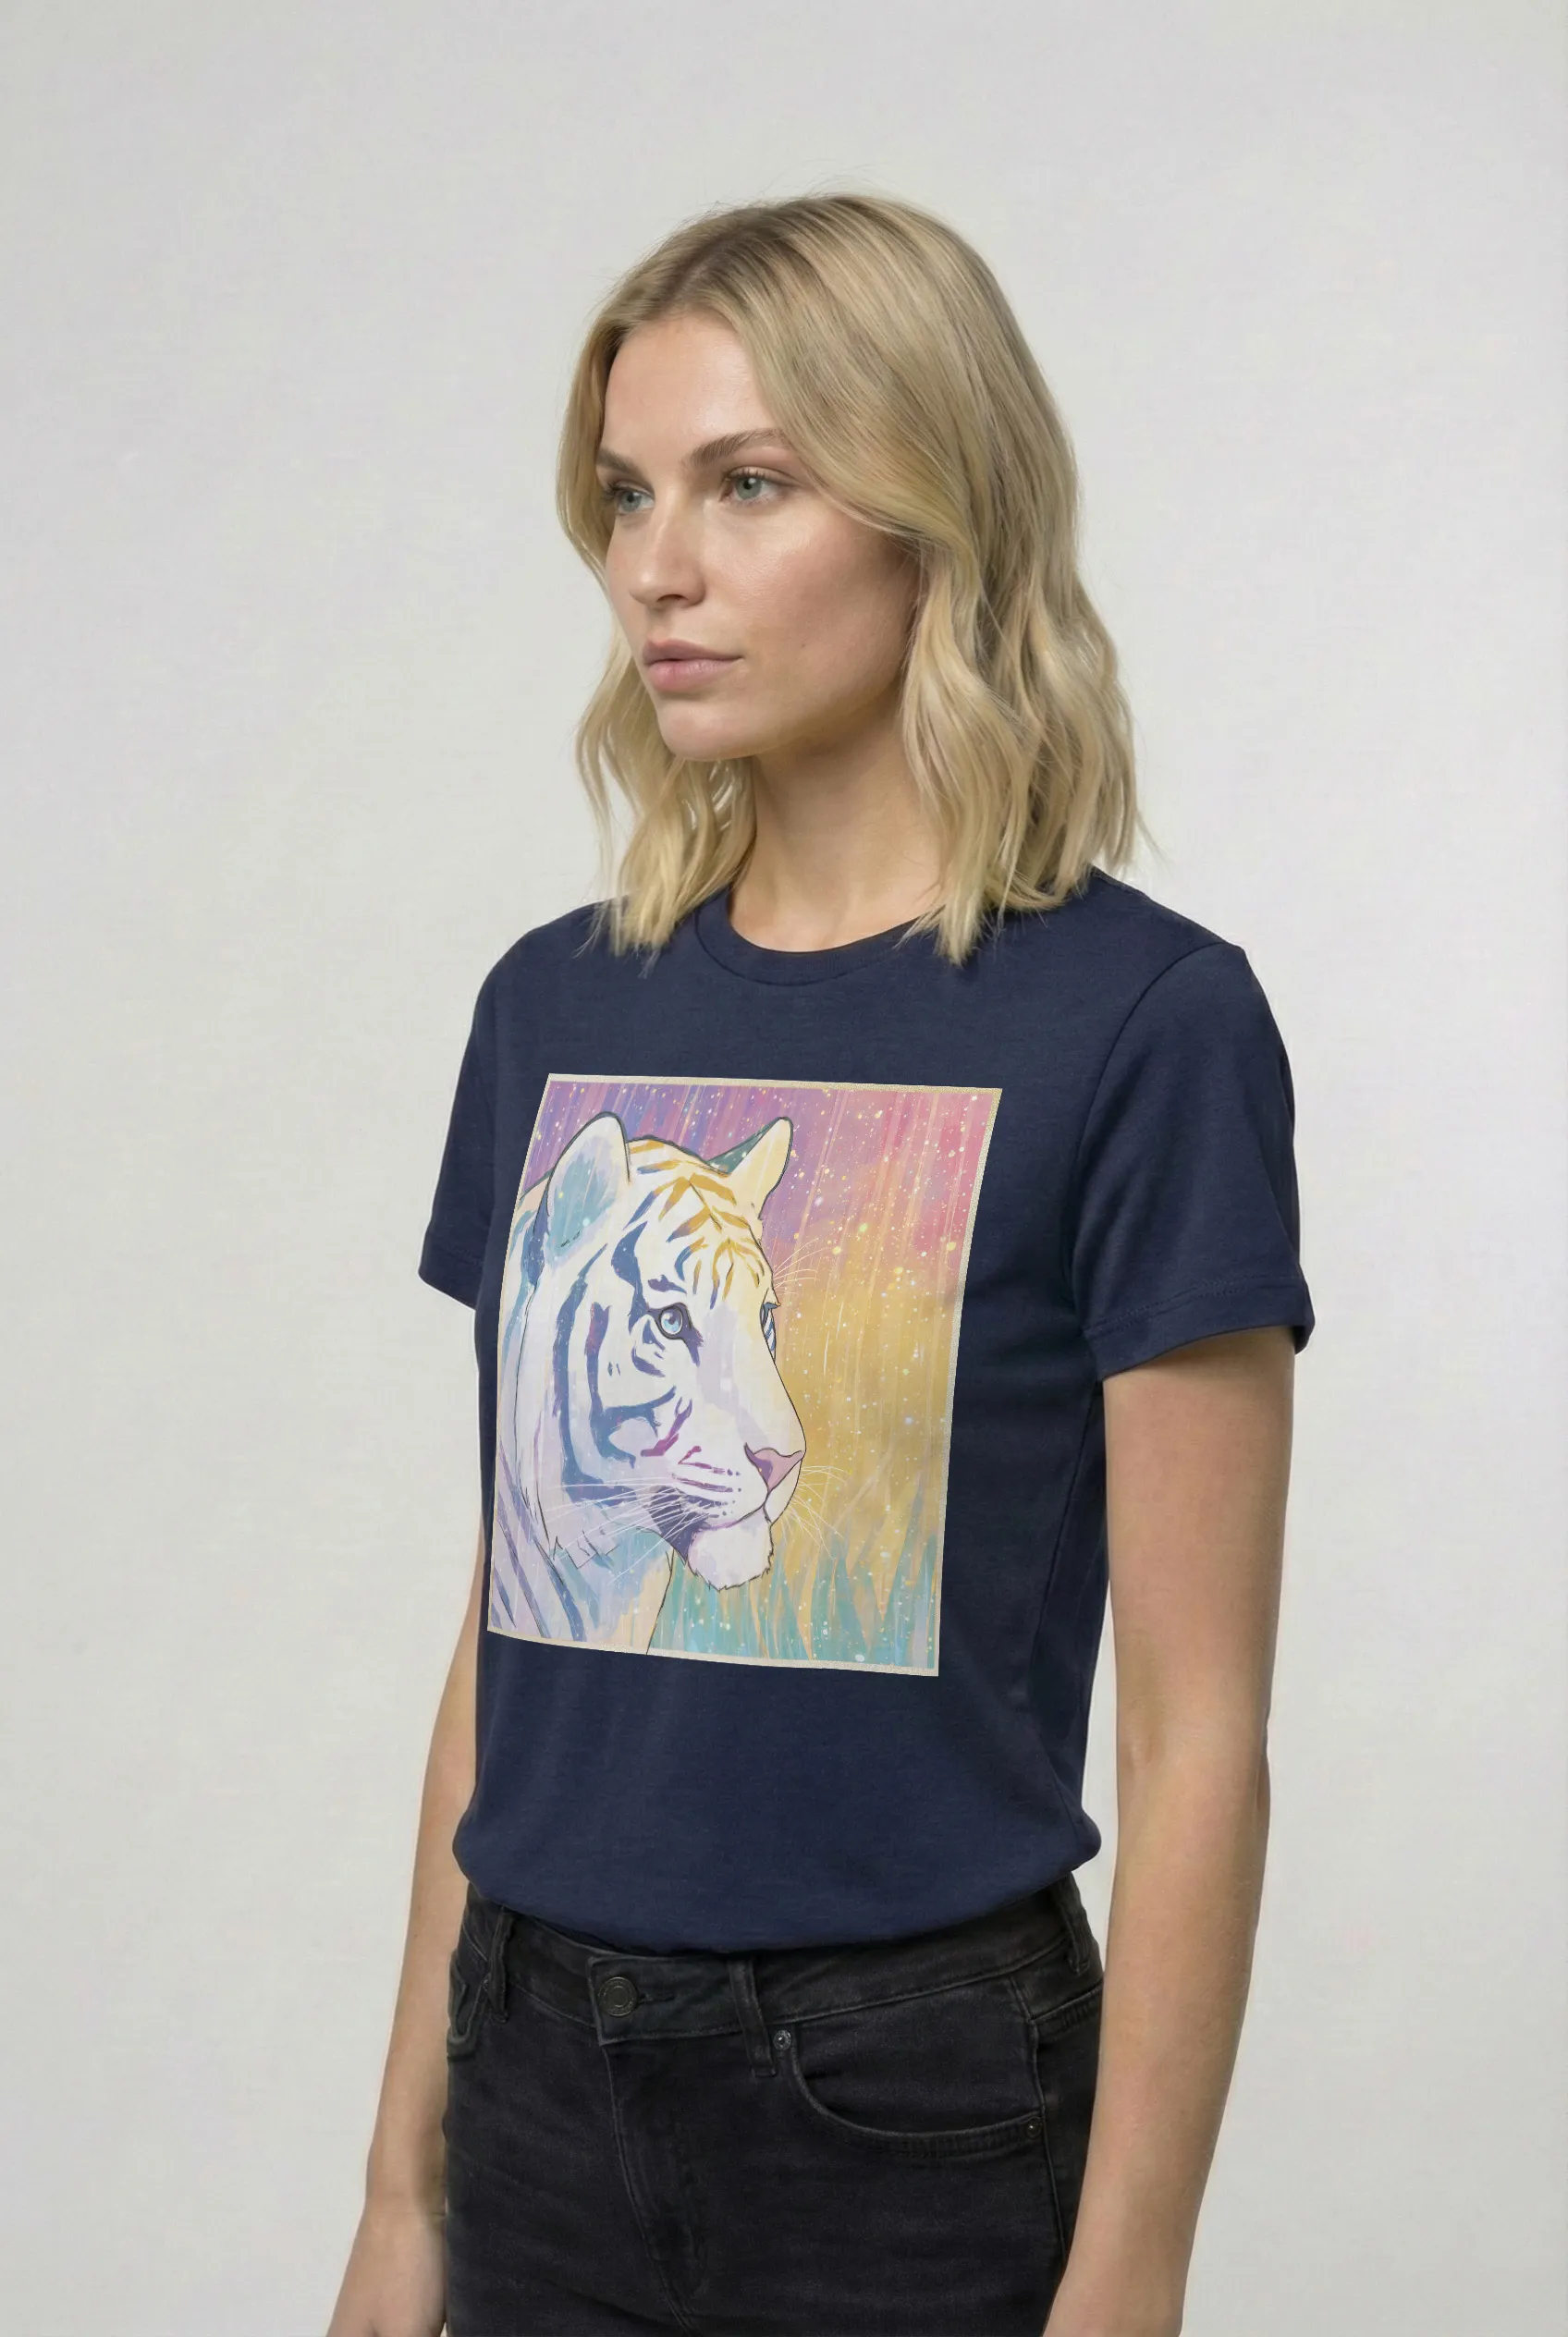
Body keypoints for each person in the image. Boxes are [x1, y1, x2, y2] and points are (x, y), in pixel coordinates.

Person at [326, 191, 1314, 2337]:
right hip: (531, 2077)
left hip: (911, 2104)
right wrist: (400, 2191)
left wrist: (1127, 2280)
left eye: (746, 483)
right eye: (625, 492)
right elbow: (511, 1634)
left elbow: (1196, 1731)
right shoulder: (551, 1009)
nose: (652, 567)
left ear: (932, 511)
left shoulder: (1142, 1026)